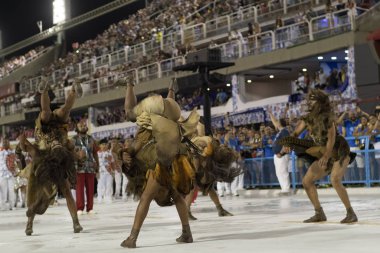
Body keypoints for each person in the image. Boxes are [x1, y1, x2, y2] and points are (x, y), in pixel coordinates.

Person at [118, 77, 195, 248]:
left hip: (160, 161)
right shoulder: (170, 121)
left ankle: (132, 238)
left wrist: (125, 154)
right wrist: (172, 92)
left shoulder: (148, 125)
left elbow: (136, 144)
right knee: (176, 196)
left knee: (146, 197)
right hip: (176, 158)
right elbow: (169, 106)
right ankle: (187, 233)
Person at [280, 89, 358, 223]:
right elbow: (295, 134)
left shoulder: (328, 118)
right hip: (324, 152)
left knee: (334, 179)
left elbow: (331, 139)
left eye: (313, 99)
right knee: (306, 181)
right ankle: (319, 213)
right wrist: (288, 143)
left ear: (320, 102)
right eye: (309, 99)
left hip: (339, 150)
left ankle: (351, 213)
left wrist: (327, 156)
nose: (310, 102)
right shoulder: (307, 119)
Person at [18, 77, 83, 235]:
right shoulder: (41, 125)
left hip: (59, 158)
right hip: (44, 157)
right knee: (37, 194)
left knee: (65, 110)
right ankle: (29, 223)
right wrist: (22, 144)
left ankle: (76, 222)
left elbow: (72, 151)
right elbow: (26, 147)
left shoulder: (65, 141)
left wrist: (78, 156)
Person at [72, 119, 99, 215]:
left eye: (84, 126)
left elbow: (95, 153)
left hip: (90, 166)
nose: (83, 127)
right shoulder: (73, 139)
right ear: (77, 128)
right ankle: (79, 208)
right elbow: (70, 153)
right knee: (79, 189)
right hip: (79, 167)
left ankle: (90, 208)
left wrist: (98, 165)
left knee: (90, 189)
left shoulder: (91, 139)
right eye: (81, 126)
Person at [268, 111, 291, 195]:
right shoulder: (280, 131)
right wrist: (270, 114)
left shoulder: (284, 131)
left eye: (278, 121)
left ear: (280, 124)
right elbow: (274, 122)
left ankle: (286, 189)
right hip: (277, 155)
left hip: (281, 155)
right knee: (279, 172)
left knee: (283, 171)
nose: (276, 123)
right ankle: (283, 189)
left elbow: (286, 143)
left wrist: (281, 153)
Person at [0, 138, 16, 210]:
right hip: (2, 174)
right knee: (3, 191)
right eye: (4, 143)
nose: (5, 144)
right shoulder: (0, 152)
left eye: (6, 143)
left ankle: (11, 205)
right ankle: (3, 206)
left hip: (10, 174)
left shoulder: (12, 152)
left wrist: (13, 170)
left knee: (11, 190)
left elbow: (14, 162)